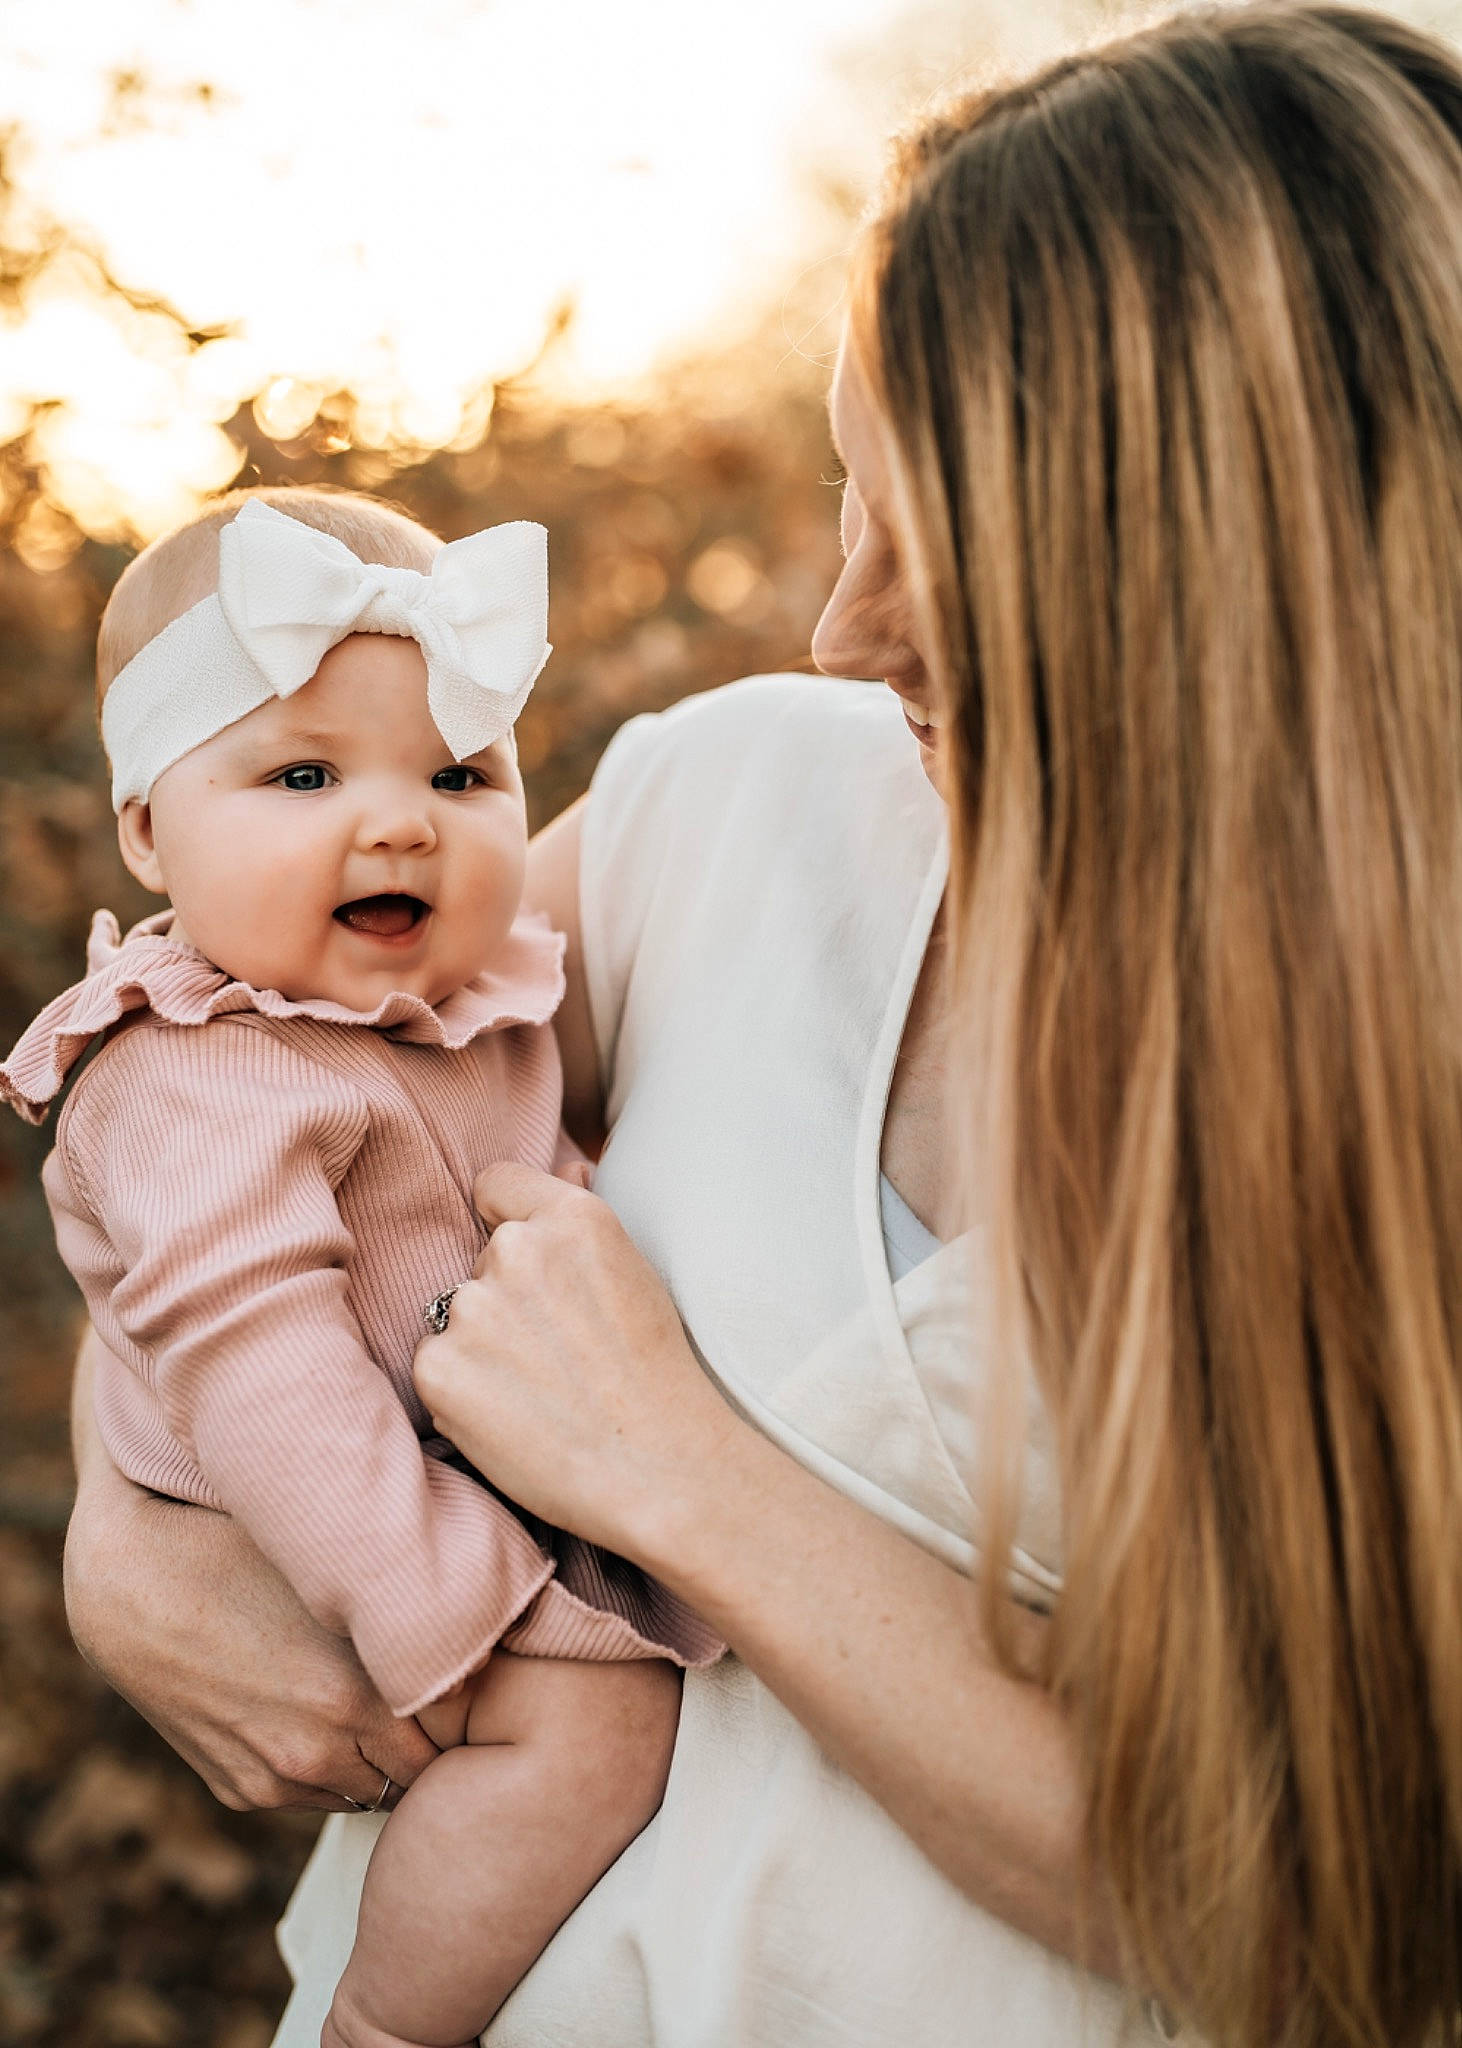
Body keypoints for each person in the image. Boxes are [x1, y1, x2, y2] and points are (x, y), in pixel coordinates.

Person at [62, 4, 1462, 2043]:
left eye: (940, 545)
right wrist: (123, 1533)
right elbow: (235, 1091)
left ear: (1207, 578)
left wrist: (683, 1476)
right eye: (843, 499)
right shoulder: (736, 801)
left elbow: (1326, 1914)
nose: (842, 626)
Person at [3, 488, 718, 2048]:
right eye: (304, 775)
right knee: (596, 1727)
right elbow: (262, 1377)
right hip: (315, 1537)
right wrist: (450, 1616)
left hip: (430, 1486)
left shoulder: (468, 1006)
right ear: (148, 829)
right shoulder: (192, 1073)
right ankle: (379, 2028)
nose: (399, 823)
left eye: (461, 774)